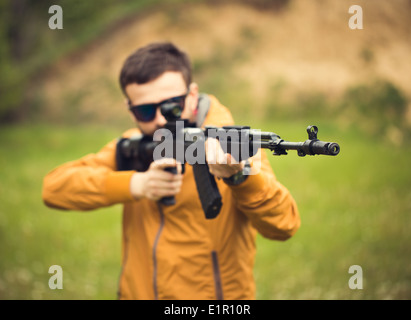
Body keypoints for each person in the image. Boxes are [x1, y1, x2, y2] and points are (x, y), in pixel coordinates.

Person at [42, 42, 300, 300]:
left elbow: (284, 225)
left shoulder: (230, 144)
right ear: (129, 110)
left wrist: (242, 180)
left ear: (191, 94)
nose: (160, 120)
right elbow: (54, 188)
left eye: (171, 106)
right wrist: (137, 185)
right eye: (144, 110)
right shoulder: (135, 143)